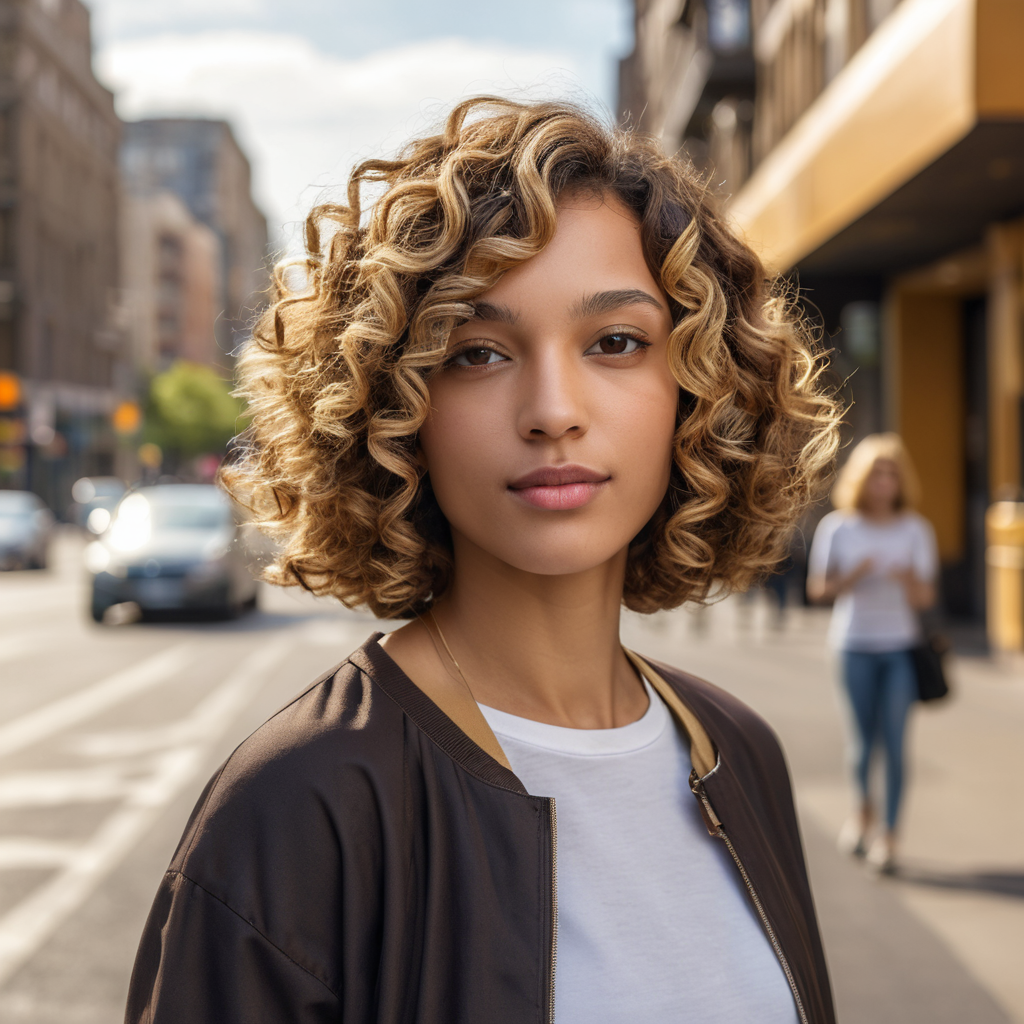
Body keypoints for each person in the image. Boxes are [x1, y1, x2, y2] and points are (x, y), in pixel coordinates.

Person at [126, 99, 841, 1024]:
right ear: (396, 406)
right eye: (477, 353)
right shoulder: (298, 807)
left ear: (699, 387)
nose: (552, 408)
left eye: (616, 343)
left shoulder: (739, 752)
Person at [806, 434, 938, 874]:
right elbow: (818, 591)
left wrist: (905, 579)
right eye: (878, 472)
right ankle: (861, 812)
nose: (885, 480)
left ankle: (890, 834)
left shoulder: (916, 529)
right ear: (862, 477)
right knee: (862, 745)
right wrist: (854, 576)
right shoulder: (839, 527)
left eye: (893, 472)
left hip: (899, 647)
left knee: (896, 745)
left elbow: (925, 598)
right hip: (852, 646)